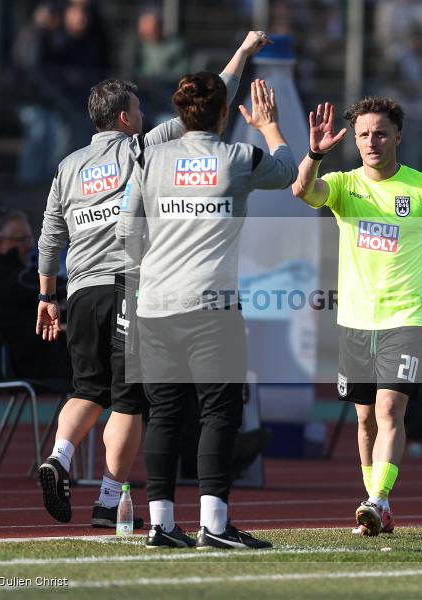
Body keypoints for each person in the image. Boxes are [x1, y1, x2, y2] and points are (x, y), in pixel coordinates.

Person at [34, 32, 271, 530]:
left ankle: (59, 454)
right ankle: (108, 499)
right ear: (125, 118)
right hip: (129, 285)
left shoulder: (67, 167)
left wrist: (47, 294)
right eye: (138, 108)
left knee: (86, 389)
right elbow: (210, 100)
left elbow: (51, 234)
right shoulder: (144, 149)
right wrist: (243, 53)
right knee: (129, 400)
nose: (143, 115)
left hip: (81, 290)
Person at [291, 97, 422, 536]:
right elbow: (303, 191)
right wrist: (314, 154)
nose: (371, 142)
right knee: (364, 419)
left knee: (388, 408)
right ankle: (377, 505)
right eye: (363, 134)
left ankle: (378, 499)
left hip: (406, 317)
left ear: (398, 136)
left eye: (380, 133)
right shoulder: (343, 185)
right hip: (355, 321)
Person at [117, 74, 296, 549]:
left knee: (163, 414)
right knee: (219, 413)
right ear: (223, 113)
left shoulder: (149, 157)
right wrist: (269, 126)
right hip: (213, 308)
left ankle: (161, 525)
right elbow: (288, 171)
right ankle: (214, 526)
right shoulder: (239, 157)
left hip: (156, 304)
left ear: (179, 114)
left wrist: (151, 270)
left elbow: (126, 231)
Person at [0, 207, 69, 380]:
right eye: (22, 240)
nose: (30, 246)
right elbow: (45, 286)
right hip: (35, 363)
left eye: (30, 238)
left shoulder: (13, 274)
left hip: (44, 356)